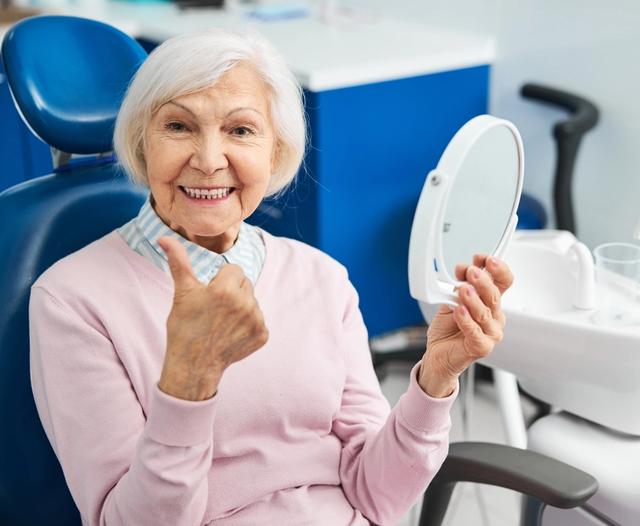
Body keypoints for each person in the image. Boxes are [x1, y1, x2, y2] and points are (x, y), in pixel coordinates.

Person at [28, 28, 513, 526]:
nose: (210, 160)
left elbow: (375, 496)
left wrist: (435, 379)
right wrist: (187, 383)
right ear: (142, 142)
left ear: (276, 152)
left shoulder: (322, 278)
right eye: (178, 126)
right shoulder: (73, 301)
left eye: (240, 131)